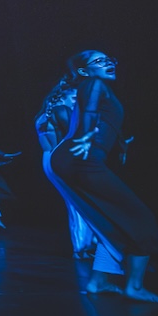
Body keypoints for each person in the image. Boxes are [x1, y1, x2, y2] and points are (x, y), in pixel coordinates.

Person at [49, 51, 158, 302]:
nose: (109, 63)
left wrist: (120, 144)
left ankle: (98, 281)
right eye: (99, 61)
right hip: (82, 158)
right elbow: (90, 111)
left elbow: (105, 119)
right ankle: (134, 287)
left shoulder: (100, 88)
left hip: (76, 158)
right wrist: (87, 134)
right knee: (140, 218)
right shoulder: (94, 83)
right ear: (83, 71)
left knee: (111, 222)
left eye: (110, 59)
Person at [35, 81, 97, 258]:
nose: (76, 102)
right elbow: (76, 135)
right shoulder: (61, 110)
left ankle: (84, 244)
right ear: (62, 97)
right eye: (74, 98)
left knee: (76, 202)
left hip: (49, 159)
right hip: (59, 160)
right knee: (77, 203)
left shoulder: (44, 114)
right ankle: (82, 246)